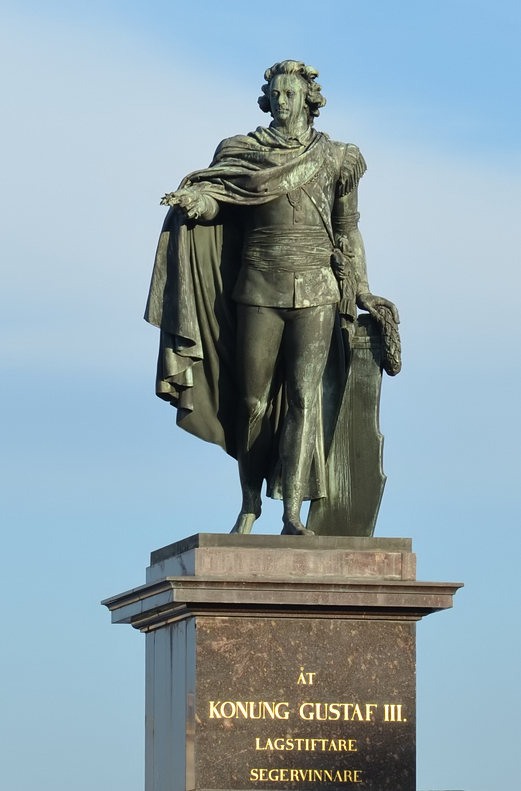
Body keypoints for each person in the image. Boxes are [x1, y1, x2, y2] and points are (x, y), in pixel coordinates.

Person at [148, 60, 399, 536]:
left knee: (306, 397)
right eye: (275, 95)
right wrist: (197, 203)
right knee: (252, 401)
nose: (282, 102)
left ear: (308, 98)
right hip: (259, 284)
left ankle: (292, 514)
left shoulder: (339, 158)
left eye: (290, 94)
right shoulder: (243, 151)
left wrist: (362, 289)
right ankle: (249, 504)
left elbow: (348, 230)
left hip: (318, 289)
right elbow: (220, 196)